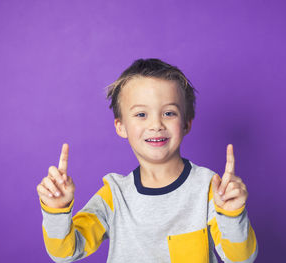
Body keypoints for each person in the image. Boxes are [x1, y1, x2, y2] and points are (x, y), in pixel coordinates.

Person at [36, 58, 258, 263]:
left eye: (169, 113)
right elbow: (65, 252)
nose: (156, 125)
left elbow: (240, 259)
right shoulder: (114, 195)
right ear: (120, 126)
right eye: (141, 114)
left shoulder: (210, 189)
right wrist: (57, 210)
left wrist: (232, 215)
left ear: (187, 124)